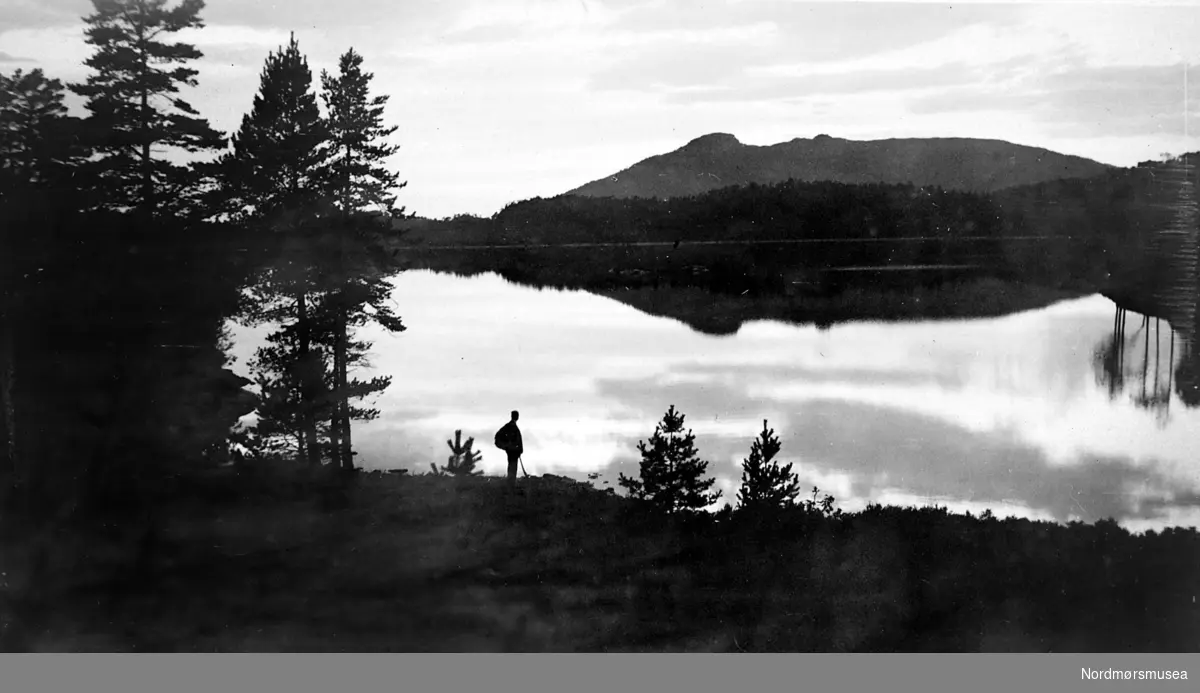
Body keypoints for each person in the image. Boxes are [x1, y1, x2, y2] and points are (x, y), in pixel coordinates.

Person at [494, 410, 524, 488]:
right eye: (516, 415)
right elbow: (498, 436)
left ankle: (511, 485)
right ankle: (511, 485)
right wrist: (507, 446)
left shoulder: (511, 426)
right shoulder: (510, 426)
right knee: (512, 468)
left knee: (512, 467)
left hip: (514, 451)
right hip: (512, 451)